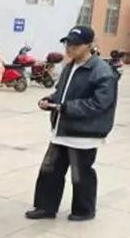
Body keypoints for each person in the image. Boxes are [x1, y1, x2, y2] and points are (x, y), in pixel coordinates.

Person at [26, 26, 118, 222]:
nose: (70, 48)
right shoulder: (69, 66)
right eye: (68, 44)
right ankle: (45, 207)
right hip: (62, 129)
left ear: (89, 45)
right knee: (49, 171)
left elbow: (99, 104)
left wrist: (65, 107)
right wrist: (50, 100)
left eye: (75, 45)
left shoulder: (102, 72)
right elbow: (62, 92)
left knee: (80, 174)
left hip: (84, 134)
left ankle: (84, 211)